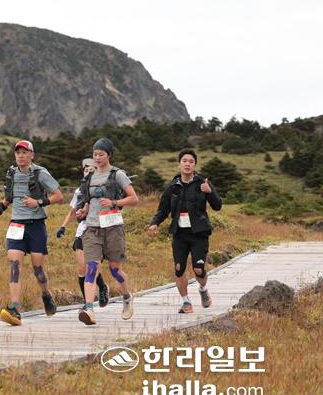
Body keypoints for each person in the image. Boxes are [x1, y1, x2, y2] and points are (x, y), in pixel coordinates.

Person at [0, 140, 64, 326]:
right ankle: (15, 310)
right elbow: (8, 198)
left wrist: (39, 202)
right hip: (16, 225)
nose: (20, 156)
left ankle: (45, 294)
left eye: (24, 152)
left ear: (32, 155)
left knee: (38, 270)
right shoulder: (11, 173)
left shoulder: (40, 173)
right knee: (15, 266)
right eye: (18, 153)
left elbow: (59, 196)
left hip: (36, 226)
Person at [147, 149, 222, 314]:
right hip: (179, 234)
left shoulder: (203, 183)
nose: (187, 164)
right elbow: (163, 210)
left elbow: (217, 206)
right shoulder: (172, 187)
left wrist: (209, 192)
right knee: (179, 268)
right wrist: (154, 223)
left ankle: (203, 289)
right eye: (184, 161)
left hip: (199, 233)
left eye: (191, 161)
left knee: (198, 270)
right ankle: (186, 302)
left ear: (195, 165)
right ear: (179, 164)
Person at [75, 138, 139, 325]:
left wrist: (114, 202)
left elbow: (134, 198)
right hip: (92, 228)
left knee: (115, 269)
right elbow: (88, 201)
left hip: (112, 227)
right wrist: (83, 211)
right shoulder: (89, 177)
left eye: (101, 154)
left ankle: (126, 296)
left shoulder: (117, 174)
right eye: (95, 154)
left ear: (109, 155)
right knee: (92, 268)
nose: (97, 157)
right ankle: (89, 309)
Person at [56, 158, 109, 307]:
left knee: (92, 267)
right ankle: (87, 302)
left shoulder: (102, 188)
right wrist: (63, 227)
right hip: (82, 230)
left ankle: (102, 287)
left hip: (98, 229)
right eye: (86, 170)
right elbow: (72, 211)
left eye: (91, 170)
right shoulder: (79, 191)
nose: (88, 172)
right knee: (82, 268)